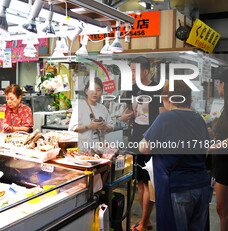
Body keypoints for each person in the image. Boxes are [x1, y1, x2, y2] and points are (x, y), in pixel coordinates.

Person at [139, 80, 211, 231]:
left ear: (168, 99)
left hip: (176, 187)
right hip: (201, 186)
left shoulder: (165, 117)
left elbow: (144, 148)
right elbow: (205, 153)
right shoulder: (199, 119)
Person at [120, 56, 164, 231]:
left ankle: (144, 222)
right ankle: (146, 219)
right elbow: (127, 113)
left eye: (134, 70)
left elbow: (162, 116)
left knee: (149, 182)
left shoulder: (157, 89)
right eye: (130, 70)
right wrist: (124, 117)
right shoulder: (132, 89)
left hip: (151, 140)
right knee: (139, 180)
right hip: (135, 138)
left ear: (146, 72)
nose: (131, 74)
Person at [69, 77, 114, 153]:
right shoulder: (80, 107)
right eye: (92, 90)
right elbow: (73, 129)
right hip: (83, 150)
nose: (95, 93)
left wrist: (106, 127)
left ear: (102, 92)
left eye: (98, 90)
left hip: (99, 149)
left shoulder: (102, 108)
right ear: (86, 91)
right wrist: (90, 126)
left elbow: (112, 126)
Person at [211, 69, 228, 231]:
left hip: (226, 165)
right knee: (222, 209)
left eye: (219, 83)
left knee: (223, 209)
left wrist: (212, 146)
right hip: (222, 163)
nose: (217, 87)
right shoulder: (224, 107)